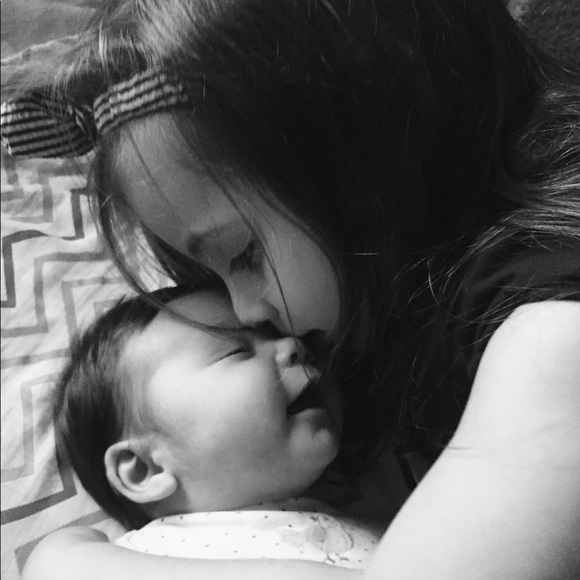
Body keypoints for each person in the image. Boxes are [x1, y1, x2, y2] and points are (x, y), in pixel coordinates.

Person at [1, 0, 578, 578]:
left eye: (243, 253)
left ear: (367, 165)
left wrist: (72, 565)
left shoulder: (552, 339)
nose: (250, 310)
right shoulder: (389, 309)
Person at [51, 284, 380, 568]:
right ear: (144, 469)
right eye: (237, 350)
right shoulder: (142, 558)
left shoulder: (369, 524)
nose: (295, 344)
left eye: (278, 334)